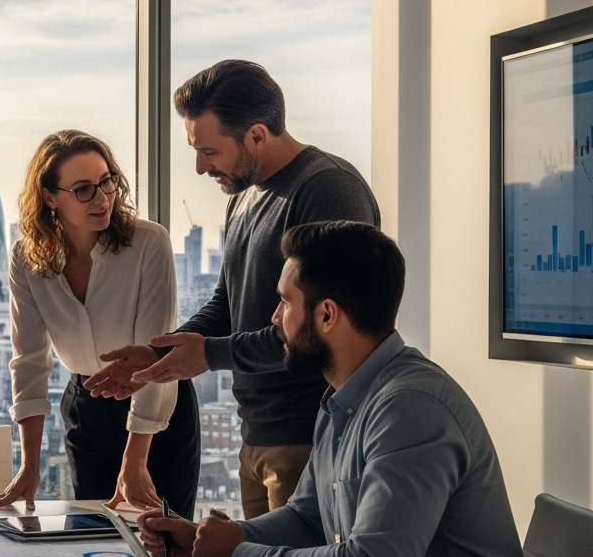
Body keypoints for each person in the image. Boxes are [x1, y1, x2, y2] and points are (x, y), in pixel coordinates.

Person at [137, 222, 536, 557]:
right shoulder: (345, 398)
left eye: (285, 301)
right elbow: (310, 518)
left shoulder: (409, 409)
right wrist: (212, 540)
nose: (274, 318)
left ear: (326, 315)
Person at [86, 60, 381, 518]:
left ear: (257, 136)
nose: (201, 167)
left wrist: (207, 355)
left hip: (312, 436)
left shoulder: (328, 191)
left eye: (209, 151)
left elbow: (322, 331)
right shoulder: (244, 197)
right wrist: (160, 354)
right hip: (257, 436)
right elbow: (227, 303)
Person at [0, 130, 200, 517]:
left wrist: (136, 458)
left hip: (156, 408)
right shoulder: (25, 258)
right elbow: (29, 361)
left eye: (106, 182)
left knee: (164, 547)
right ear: (49, 197)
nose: (102, 198)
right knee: (94, 542)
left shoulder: (149, 243)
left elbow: (156, 354)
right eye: (83, 189)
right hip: (86, 408)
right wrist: (30, 466)